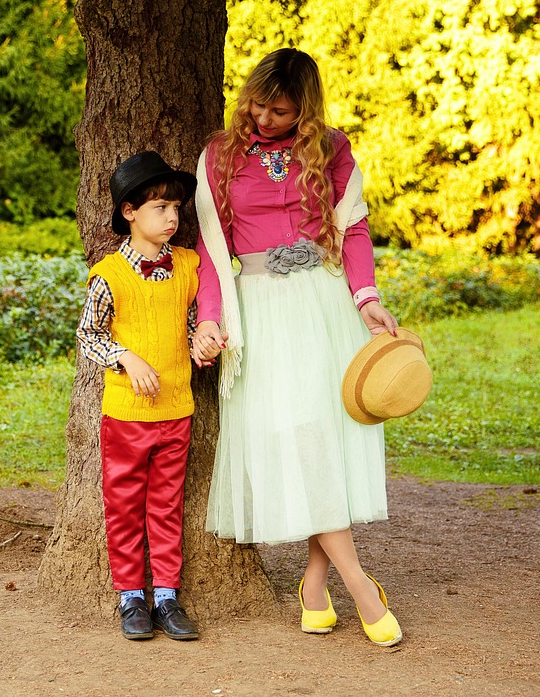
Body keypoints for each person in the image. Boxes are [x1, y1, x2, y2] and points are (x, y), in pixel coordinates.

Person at [191, 48, 405, 647]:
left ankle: (315, 587)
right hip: (261, 310)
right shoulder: (220, 155)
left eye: (279, 110)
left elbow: (353, 228)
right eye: (257, 103)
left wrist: (365, 298)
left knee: (326, 436)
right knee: (296, 434)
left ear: (304, 109)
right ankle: (360, 586)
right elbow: (211, 252)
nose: (262, 116)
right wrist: (211, 320)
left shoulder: (334, 147)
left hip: (326, 302)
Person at [76, 151, 203, 642]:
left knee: (167, 505)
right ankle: (131, 597)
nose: (171, 217)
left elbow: (193, 323)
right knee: (125, 505)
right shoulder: (110, 274)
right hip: (126, 414)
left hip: (177, 410)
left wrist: (201, 343)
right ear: (129, 212)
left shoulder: (188, 267)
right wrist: (127, 358)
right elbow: (90, 335)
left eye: (176, 208)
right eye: (159, 208)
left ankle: (167, 596)